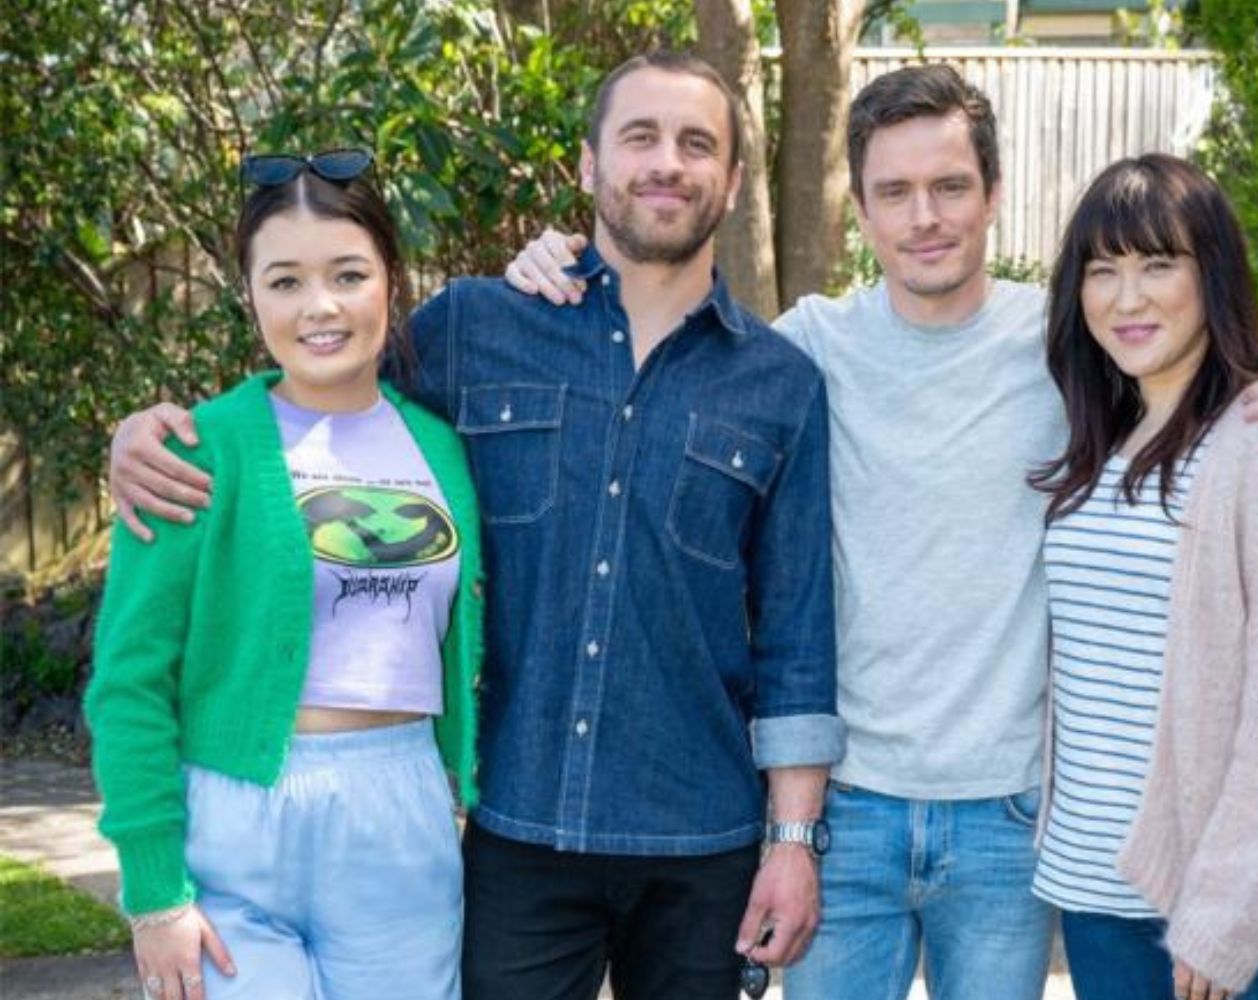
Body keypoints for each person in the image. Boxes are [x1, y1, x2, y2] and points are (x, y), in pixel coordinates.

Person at [504, 65, 1258, 1000]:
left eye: (950, 187)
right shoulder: (804, 352)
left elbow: (1194, 385)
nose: (925, 218)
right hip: (847, 814)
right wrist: (558, 262)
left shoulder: (1074, 348)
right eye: (894, 194)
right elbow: (674, 333)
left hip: (1011, 817)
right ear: (861, 212)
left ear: (992, 196)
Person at [106, 52, 842, 1000]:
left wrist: (792, 843)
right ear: (587, 166)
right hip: (517, 831)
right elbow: (317, 393)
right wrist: (149, 434)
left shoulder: (779, 385)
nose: (668, 162)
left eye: (697, 143)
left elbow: (795, 638)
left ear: (734, 180)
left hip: (699, 838)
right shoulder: (473, 328)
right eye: (640, 138)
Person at [86, 149, 484, 1000]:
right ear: (251, 295)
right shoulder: (192, 448)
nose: (320, 307)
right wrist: (153, 895)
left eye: (347, 274)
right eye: (285, 282)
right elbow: (128, 683)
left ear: (391, 280)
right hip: (234, 826)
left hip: (400, 815)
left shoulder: (444, 448)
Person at [1028, 153, 1258, 1000]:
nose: (1128, 297)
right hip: (1096, 894)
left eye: (1158, 264)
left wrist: (1226, 918)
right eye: (1103, 270)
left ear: (1212, 274)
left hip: (1231, 920)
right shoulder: (1100, 447)